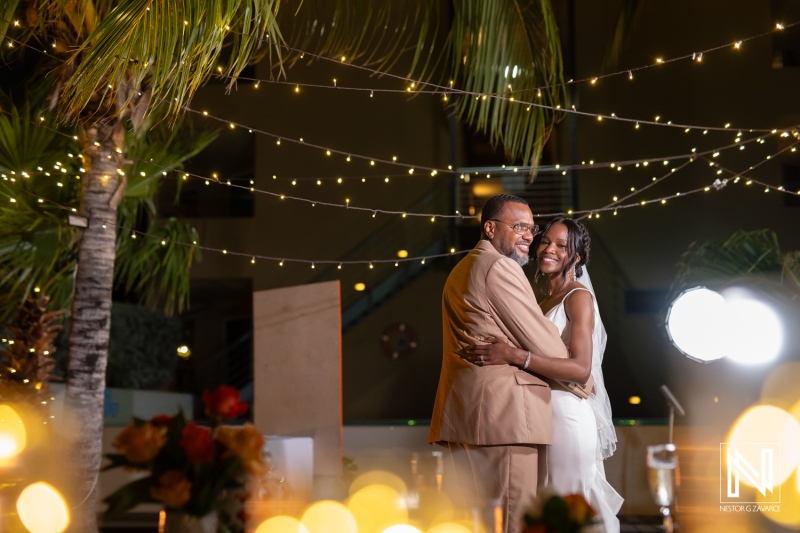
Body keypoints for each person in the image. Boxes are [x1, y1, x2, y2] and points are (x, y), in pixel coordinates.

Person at [429, 195, 593, 533]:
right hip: (504, 419)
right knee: (512, 522)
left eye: (531, 228)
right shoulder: (499, 267)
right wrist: (584, 379)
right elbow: (544, 340)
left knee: (477, 522)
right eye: (519, 227)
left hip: (465, 417)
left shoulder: (460, 269)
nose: (530, 236)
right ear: (490, 228)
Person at [467, 216, 623, 533]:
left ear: (577, 257)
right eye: (546, 242)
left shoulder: (578, 298)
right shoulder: (542, 301)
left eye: (561, 245)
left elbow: (580, 369)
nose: (549, 249)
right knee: (546, 508)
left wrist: (514, 355)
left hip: (568, 414)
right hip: (542, 414)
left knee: (568, 504)